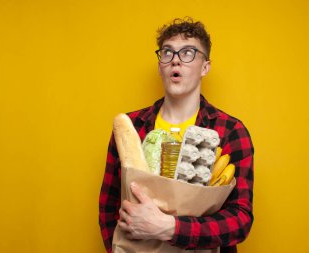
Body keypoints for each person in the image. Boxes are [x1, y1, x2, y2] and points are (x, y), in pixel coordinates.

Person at [99, 17, 254, 253]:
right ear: (160, 63)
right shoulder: (130, 127)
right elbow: (109, 208)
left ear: (205, 67)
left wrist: (169, 228)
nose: (175, 61)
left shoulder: (230, 131)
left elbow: (239, 221)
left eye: (188, 53)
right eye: (167, 53)